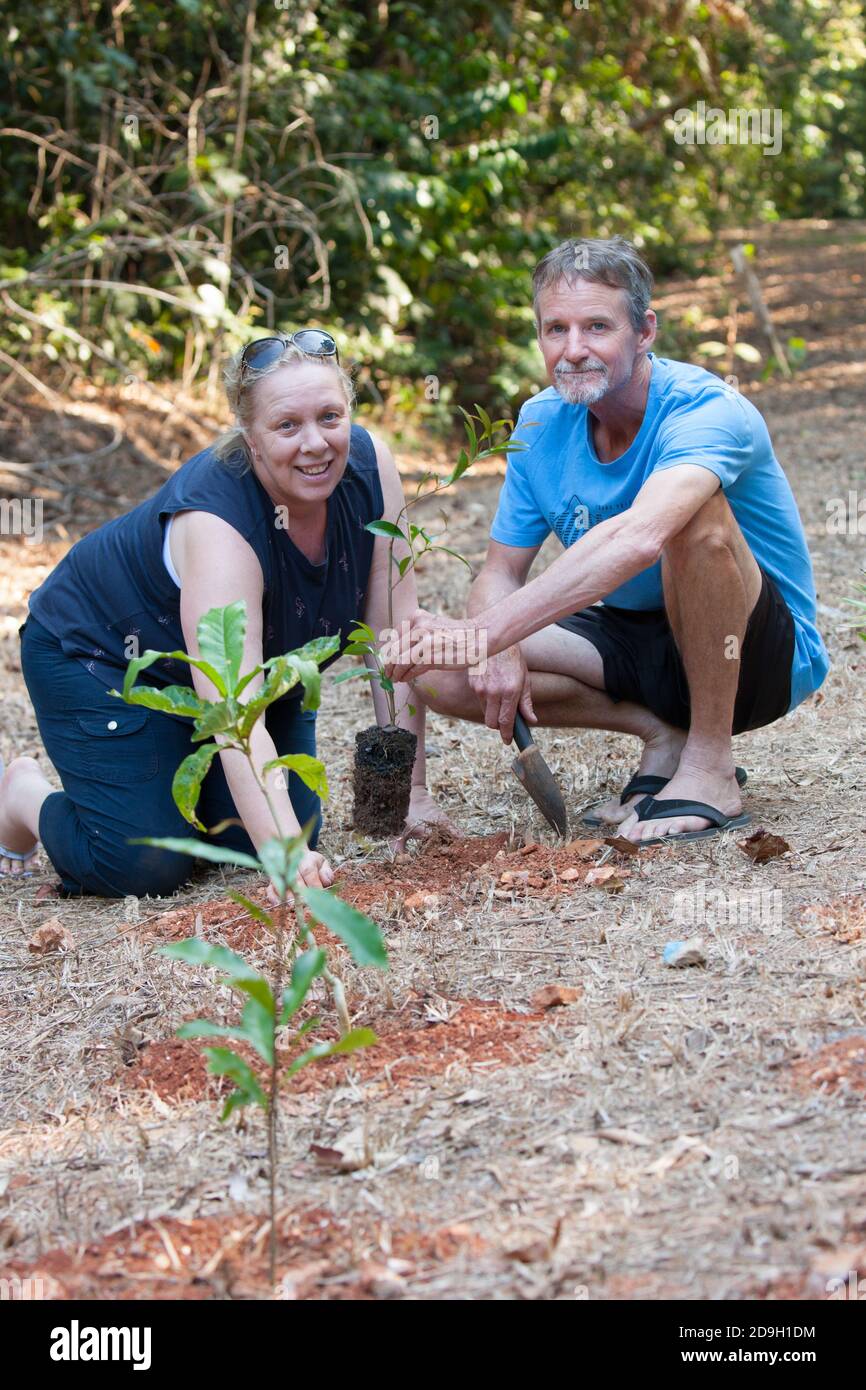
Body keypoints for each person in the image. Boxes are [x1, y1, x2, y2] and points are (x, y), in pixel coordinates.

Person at [389, 237, 829, 845]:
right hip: (638, 641)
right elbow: (498, 571)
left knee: (695, 520)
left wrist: (490, 631)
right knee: (434, 670)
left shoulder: (706, 408)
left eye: (597, 326)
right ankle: (663, 734)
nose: (573, 350)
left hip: (755, 654)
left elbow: (641, 537)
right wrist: (491, 644)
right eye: (555, 329)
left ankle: (710, 767)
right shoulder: (540, 421)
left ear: (644, 331)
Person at [0, 329, 453, 895]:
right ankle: (22, 795)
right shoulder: (218, 524)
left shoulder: (370, 467)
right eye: (287, 426)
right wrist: (286, 856)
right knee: (144, 865)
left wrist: (404, 800)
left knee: (284, 827)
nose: (315, 443)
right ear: (250, 436)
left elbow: (390, 636)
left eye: (330, 417)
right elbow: (234, 709)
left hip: (260, 671)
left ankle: (172, 782)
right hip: (103, 656)